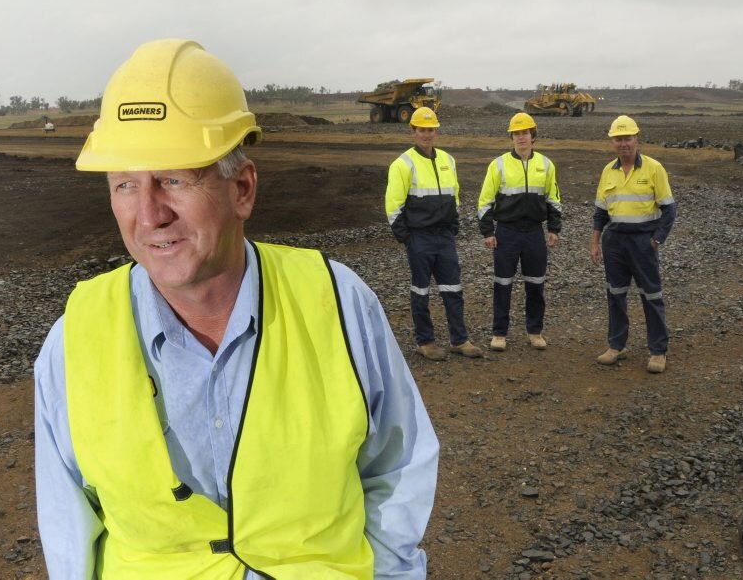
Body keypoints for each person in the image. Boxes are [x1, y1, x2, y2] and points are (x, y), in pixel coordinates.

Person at [34, 39, 439, 578]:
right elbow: (67, 529)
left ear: (242, 188)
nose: (149, 213)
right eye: (126, 184)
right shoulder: (75, 341)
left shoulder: (337, 302)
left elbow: (398, 467)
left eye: (174, 179)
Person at [385, 107, 483, 361]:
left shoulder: (448, 161)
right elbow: (393, 205)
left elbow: (455, 196)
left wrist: (453, 226)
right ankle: (425, 341)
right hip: (419, 237)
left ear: (436, 131)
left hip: (444, 237)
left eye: (430, 129)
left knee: (453, 288)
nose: (427, 134)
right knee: (420, 291)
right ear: (413, 131)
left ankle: (459, 340)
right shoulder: (402, 164)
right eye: (422, 130)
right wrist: (407, 237)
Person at [590, 115, 677, 373]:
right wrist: (595, 242)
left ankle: (658, 351)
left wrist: (656, 239)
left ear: (636, 139)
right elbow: (600, 212)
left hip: (643, 242)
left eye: (627, 138)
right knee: (615, 294)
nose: (623, 144)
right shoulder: (608, 171)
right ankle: (617, 346)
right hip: (614, 242)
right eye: (618, 139)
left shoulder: (653, 168)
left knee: (651, 295)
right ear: (612, 143)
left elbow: (669, 209)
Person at [476, 113, 562, 352]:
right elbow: (485, 201)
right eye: (517, 133)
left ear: (532, 136)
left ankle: (535, 331)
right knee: (502, 283)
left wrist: (554, 228)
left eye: (525, 133)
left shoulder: (545, 165)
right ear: (511, 136)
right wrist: (487, 232)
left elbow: (553, 199)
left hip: (534, 232)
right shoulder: (499, 164)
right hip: (507, 232)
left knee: (536, 284)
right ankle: (499, 333)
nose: (521, 137)